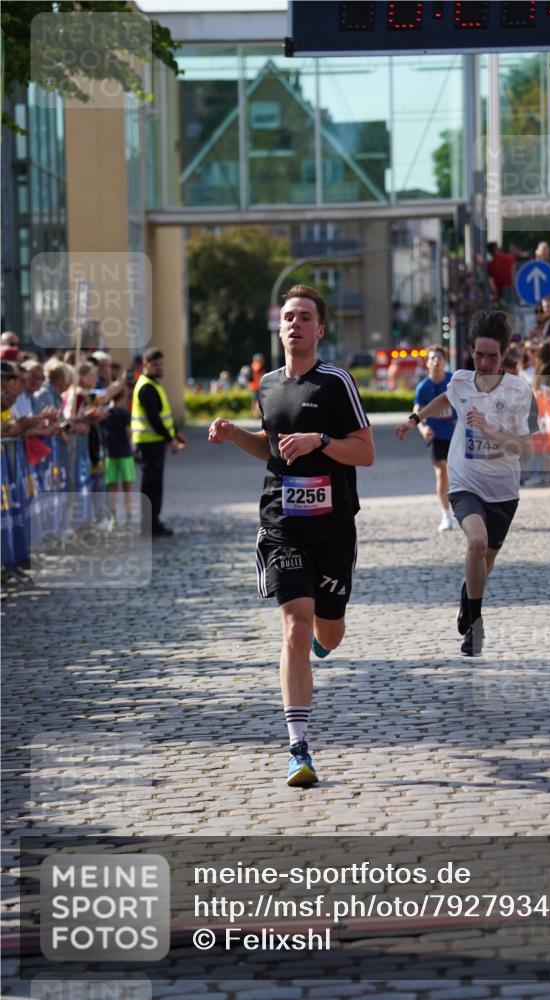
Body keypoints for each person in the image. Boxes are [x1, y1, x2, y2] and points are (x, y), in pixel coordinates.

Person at [208, 284, 374, 787]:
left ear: (319, 329)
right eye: (288, 316)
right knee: (295, 626)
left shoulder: (337, 382)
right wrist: (238, 435)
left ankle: (322, 644)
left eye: (304, 317)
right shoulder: (268, 384)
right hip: (281, 523)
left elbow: (364, 452)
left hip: (333, 526)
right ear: (279, 327)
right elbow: (274, 449)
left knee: (329, 632)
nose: (295, 324)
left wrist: (321, 440)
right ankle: (298, 748)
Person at [395, 311, 538, 657]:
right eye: (478, 354)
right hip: (465, 481)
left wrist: (490, 430)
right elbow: (448, 397)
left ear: (504, 354)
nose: (485, 362)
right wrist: (416, 418)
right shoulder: (460, 380)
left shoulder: (520, 392)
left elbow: (527, 450)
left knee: (485, 563)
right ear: (470, 352)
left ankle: (467, 596)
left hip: (504, 491)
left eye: (492, 355)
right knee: (476, 543)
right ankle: (476, 624)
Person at [131, 348, 186, 537]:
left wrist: (176, 434)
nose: (160, 368)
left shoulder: (153, 384)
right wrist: (171, 439)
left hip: (153, 443)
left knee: (154, 484)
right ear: (145, 365)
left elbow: (164, 418)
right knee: (151, 485)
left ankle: (153, 522)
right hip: (148, 444)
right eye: (155, 365)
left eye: (161, 364)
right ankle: (150, 525)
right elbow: (154, 420)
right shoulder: (146, 386)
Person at [413, 346, 457, 531]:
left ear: (445, 361)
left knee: (460, 475)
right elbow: (416, 411)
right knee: (441, 473)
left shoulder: (453, 380)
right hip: (437, 435)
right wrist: (422, 428)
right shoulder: (423, 387)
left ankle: (469, 511)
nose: (436, 361)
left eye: (439, 358)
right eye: (432, 358)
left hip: (456, 434)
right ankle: (446, 515)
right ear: (427, 363)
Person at [103, 384, 136, 526]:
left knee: (112, 488)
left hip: (110, 454)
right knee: (127, 488)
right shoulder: (124, 413)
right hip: (124, 454)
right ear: (123, 396)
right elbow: (128, 432)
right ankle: (129, 516)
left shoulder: (106, 413)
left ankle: (113, 517)